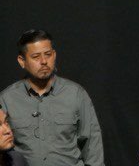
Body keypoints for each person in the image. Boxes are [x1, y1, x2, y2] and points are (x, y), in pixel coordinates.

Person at [0, 30, 103, 166]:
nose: (44, 61)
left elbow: (92, 147)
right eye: (36, 57)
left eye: (48, 55)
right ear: (22, 61)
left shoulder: (76, 94)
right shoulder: (7, 99)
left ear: (54, 55)